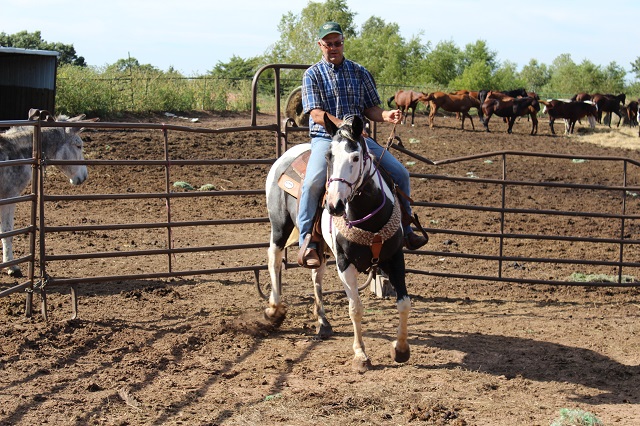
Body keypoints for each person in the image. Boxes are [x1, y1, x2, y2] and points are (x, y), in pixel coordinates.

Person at [297, 21, 428, 269]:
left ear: (343, 43)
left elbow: (371, 108)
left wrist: (386, 115)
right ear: (320, 45)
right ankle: (308, 241)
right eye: (328, 44)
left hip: (359, 141)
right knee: (313, 181)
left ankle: (406, 228)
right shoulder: (312, 74)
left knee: (400, 172)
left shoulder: (360, 72)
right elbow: (315, 113)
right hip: (328, 138)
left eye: (337, 43)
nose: (333, 48)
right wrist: (344, 126)